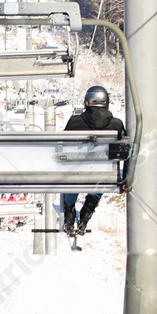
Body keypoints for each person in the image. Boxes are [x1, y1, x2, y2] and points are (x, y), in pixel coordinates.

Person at [61, 84, 125, 237]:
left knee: (70, 186)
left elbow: (62, 146)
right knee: (99, 182)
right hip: (103, 173)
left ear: (86, 102)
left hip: (75, 173)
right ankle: (85, 215)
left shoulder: (74, 122)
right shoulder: (116, 124)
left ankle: (69, 213)